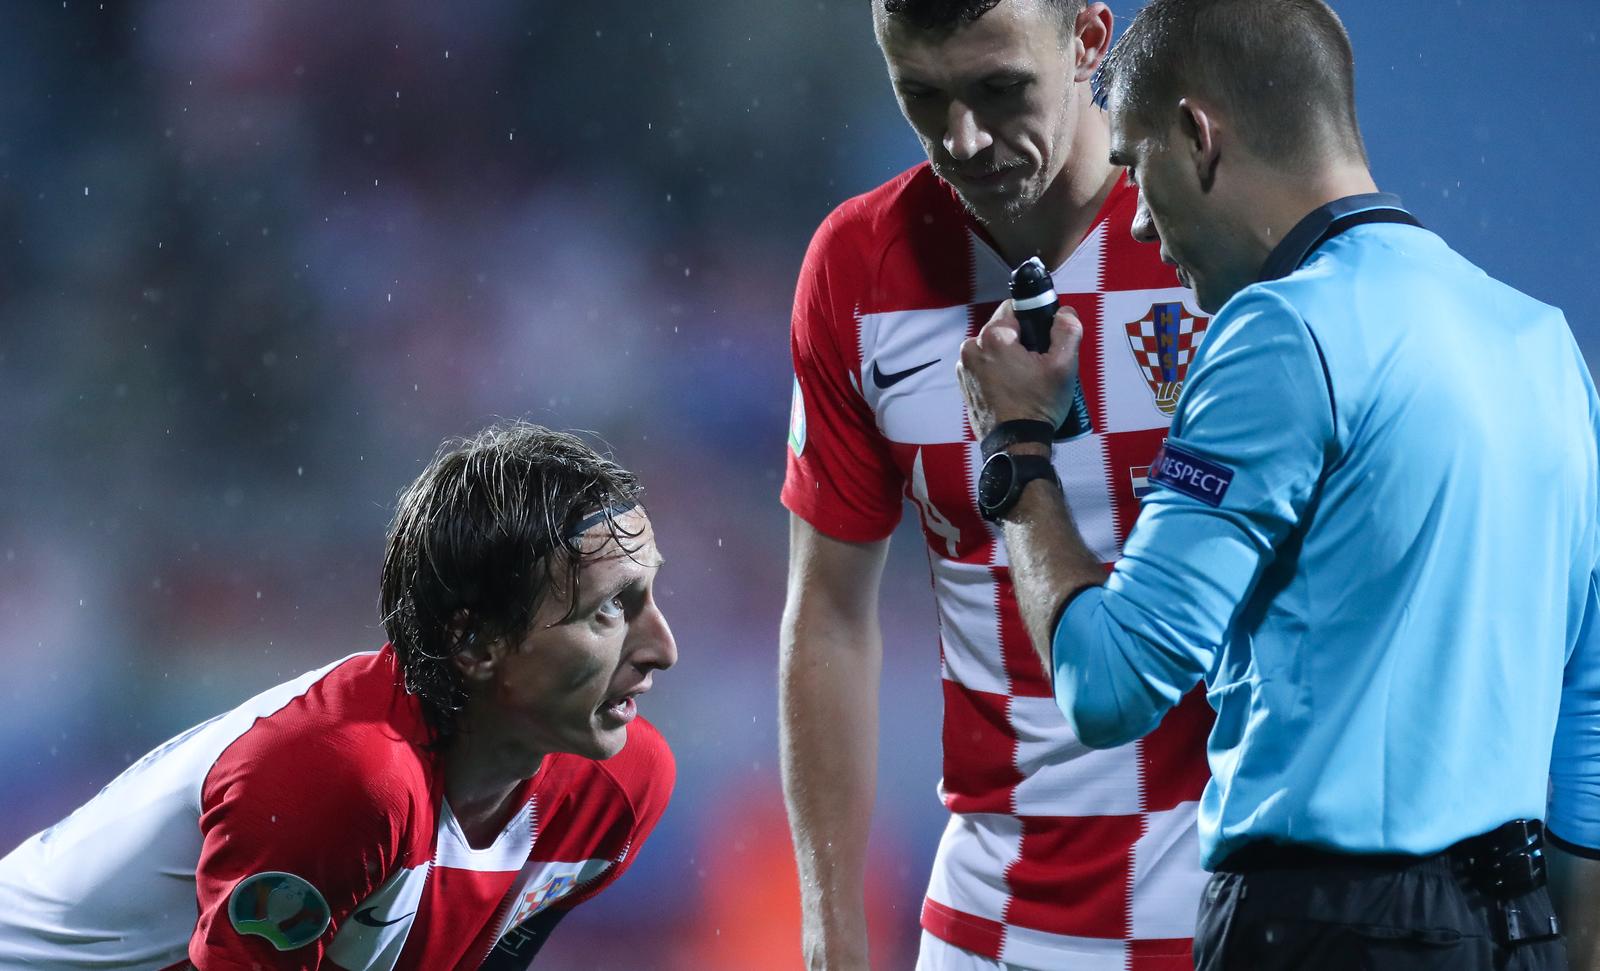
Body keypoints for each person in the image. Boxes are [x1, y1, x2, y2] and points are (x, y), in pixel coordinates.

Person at [954, 0, 1600, 968]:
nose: (1134, 216)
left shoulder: (1277, 332)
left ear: (1197, 136)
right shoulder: (1541, 343)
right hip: (1517, 929)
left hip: (1327, 927)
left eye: (1134, 164)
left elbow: (1111, 682)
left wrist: (1014, 447)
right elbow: (1585, 711)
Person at [780, 1, 1213, 967]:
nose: (962, 139)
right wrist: (831, 931)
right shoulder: (859, 269)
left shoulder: (1219, 241)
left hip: (1228, 914)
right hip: (991, 926)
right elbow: (830, 615)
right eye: (921, 97)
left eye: (999, 89)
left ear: (1090, 43)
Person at [0, 421, 678, 970]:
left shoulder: (620, 782)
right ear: (475, 643)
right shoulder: (344, 778)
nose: (662, 648)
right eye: (609, 611)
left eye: (649, 596)